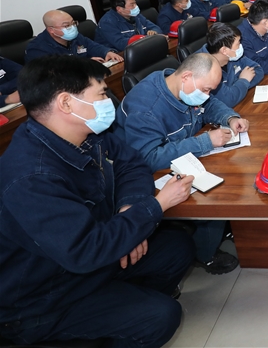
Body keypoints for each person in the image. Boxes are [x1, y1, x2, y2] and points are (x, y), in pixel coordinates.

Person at [0, 55, 195, 346]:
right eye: (102, 94)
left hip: (89, 263)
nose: (108, 101)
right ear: (66, 103)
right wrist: (154, 206)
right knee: (161, 316)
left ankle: (125, 302)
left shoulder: (84, 133)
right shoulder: (32, 177)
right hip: (42, 298)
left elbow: (131, 162)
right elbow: (85, 250)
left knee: (176, 247)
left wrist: (130, 210)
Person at [115, 53, 247, 274]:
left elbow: (210, 105)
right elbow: (149, 158)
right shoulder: (145, 107)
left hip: (183, 154)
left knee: (231, 173)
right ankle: (206, 254)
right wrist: (204, 142)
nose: (207, 95)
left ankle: (226, 228)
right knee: (214, 195)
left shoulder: (184, 87)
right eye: (206, 89)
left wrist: (229, 118)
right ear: (186, 76)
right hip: (144, 175)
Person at [198, 23, 264, 108]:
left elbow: (258, 70)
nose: (241, 46)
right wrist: (244, 80)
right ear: (224, 50)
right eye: (238, 43)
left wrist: (234, 89)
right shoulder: (203, 68)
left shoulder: (232, 56)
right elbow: (229, 100)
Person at [27, 9, 123, 63]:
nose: (72, 27)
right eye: (66, 26)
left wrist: (107, 52)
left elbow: (92, 46)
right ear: (51, 30)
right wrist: (85, 64)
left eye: (73, 23)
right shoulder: (37, 49)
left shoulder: (75, 37)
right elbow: (54, 72)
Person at [96, 0, 163, 50]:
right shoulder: (107, 22)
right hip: (118, 55)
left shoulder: (136, 15)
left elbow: (156, 28)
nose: (136, 6)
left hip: (140, 48)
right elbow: (121, 44)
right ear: (119, 9)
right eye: (132, 5)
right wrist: (146, 39)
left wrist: (154, 32)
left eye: (135, 3)